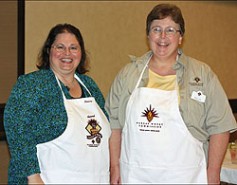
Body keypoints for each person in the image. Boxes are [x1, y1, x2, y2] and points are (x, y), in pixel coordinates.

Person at [105, 3, 237, 184]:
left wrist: (213, 173)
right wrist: (115, 167)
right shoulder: (128, 74)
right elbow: (114, 125)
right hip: (136, 176)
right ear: (148, 35)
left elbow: (220, 127)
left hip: (187, 176)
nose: (162, 37)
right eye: (156, 29)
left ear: (181, 37)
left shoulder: (202, 74)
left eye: (171, 30)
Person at [4, 23, 111, 184]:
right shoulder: (33, 84)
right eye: (60, 47)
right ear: (49, 51)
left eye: (73, 48)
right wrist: (32, 177)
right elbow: (16, 129)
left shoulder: (89, 85)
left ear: (81, 52)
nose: (67, 53)